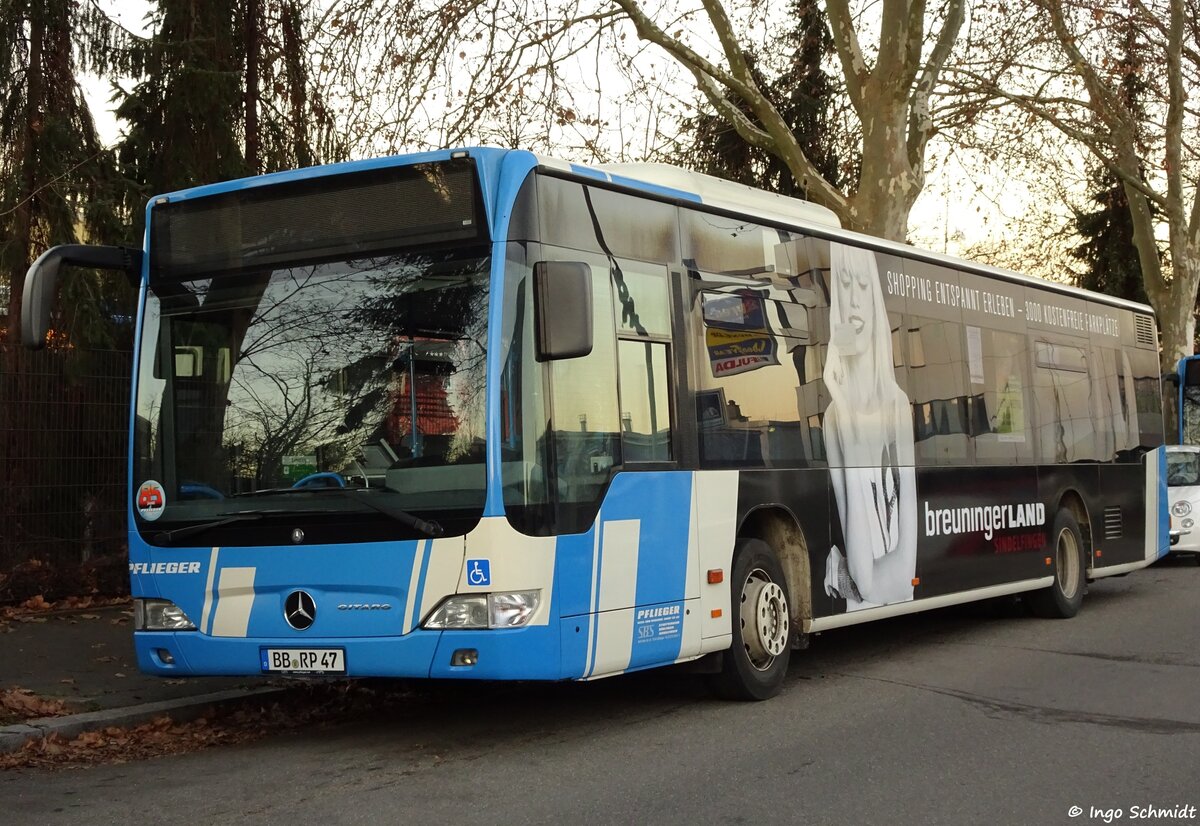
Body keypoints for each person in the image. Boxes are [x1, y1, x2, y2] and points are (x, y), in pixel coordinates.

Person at [822, 242, 917, 611]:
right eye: (844, 284)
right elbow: (863, 578)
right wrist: (847, 420)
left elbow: (902, 576)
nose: (854, 299)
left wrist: (871, 579)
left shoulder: (897, 406)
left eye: (863, 285)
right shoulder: (834, 418)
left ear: (875, 301)